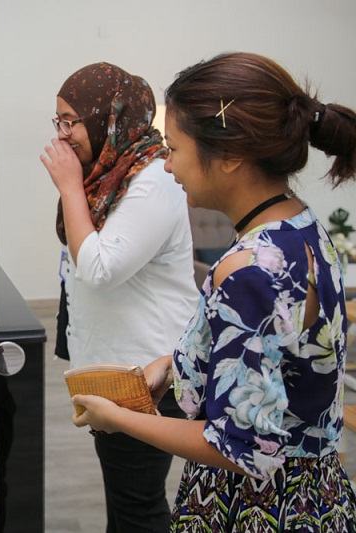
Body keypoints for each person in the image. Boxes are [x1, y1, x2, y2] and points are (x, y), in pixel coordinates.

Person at [71, 52, 356, 531]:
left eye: (175, 149)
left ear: (229, 157)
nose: (166, 166)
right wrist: (176, 365)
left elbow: (239, 447)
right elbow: (278, 365)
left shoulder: (246, 271)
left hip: (257, 511)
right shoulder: (303, 226)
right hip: (318, 497)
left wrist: (118, 419)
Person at [40, 63, 199, 532]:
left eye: (71, 120)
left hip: (147, 374)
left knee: (136, 506)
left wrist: (69, 187)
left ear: (107, 117)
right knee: (128, 500)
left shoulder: (153, 179)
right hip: (115, 365)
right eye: (58, 121)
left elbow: (100, 267)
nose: (63, 134)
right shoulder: (110, 171)